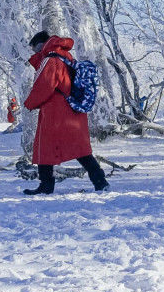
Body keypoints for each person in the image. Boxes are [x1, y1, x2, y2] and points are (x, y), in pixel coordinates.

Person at [21, 31, 108, 195]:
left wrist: (29, 103)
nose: (34, 54)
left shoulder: (50, 60)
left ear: (40, 46)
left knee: (45, 148)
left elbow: (44, 86)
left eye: (34, 50)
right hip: (72, 109)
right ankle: (100, 182)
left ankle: (46, 186)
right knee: (80, 149)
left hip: (56, 111)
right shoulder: (65, 56)